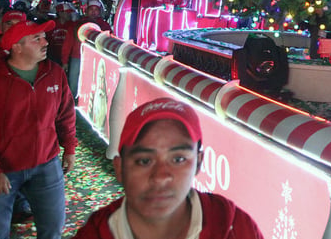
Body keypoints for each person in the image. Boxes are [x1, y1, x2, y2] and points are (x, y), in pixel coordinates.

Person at [74, 98, 264, 239]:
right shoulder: (95, 233)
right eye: (144, 161)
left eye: (178, 159)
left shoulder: (238, 229)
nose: (160, 177)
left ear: (198, 163)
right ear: (120, 168)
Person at [0, 19, 77, 239]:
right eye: (37, 38)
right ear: (16, 46)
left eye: (44, 36)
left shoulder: (54, 73)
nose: (45, 42)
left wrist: (69, 147)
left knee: (53, 229)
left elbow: (66, 114)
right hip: (4, 168)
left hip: (46, 163)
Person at [62, 0, 113, 99]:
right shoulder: (76, 25)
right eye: (91, 9)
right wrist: (65, 61)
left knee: (92, 83)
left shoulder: (104, 26)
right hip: (77, 58)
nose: (93, 12)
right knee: (73, 82)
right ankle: (72, 106)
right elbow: (68, 44)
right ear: (86, 11)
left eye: (96, 9)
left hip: (97, 59)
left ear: (99, 11)